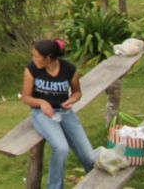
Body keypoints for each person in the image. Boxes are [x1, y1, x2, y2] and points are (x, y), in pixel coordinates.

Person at [22, 39, 97, 189]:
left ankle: (96, 183)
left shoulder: (69, 69)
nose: (34, 59)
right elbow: (25, 97)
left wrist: (71, 100)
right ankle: (55, 186)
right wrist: (42, 103)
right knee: (61, 148)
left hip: (65, 113)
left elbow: (77, 92)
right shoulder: (32, 69)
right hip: (42, 114)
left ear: (48, 58)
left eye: (37, 56)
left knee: (89, 156)